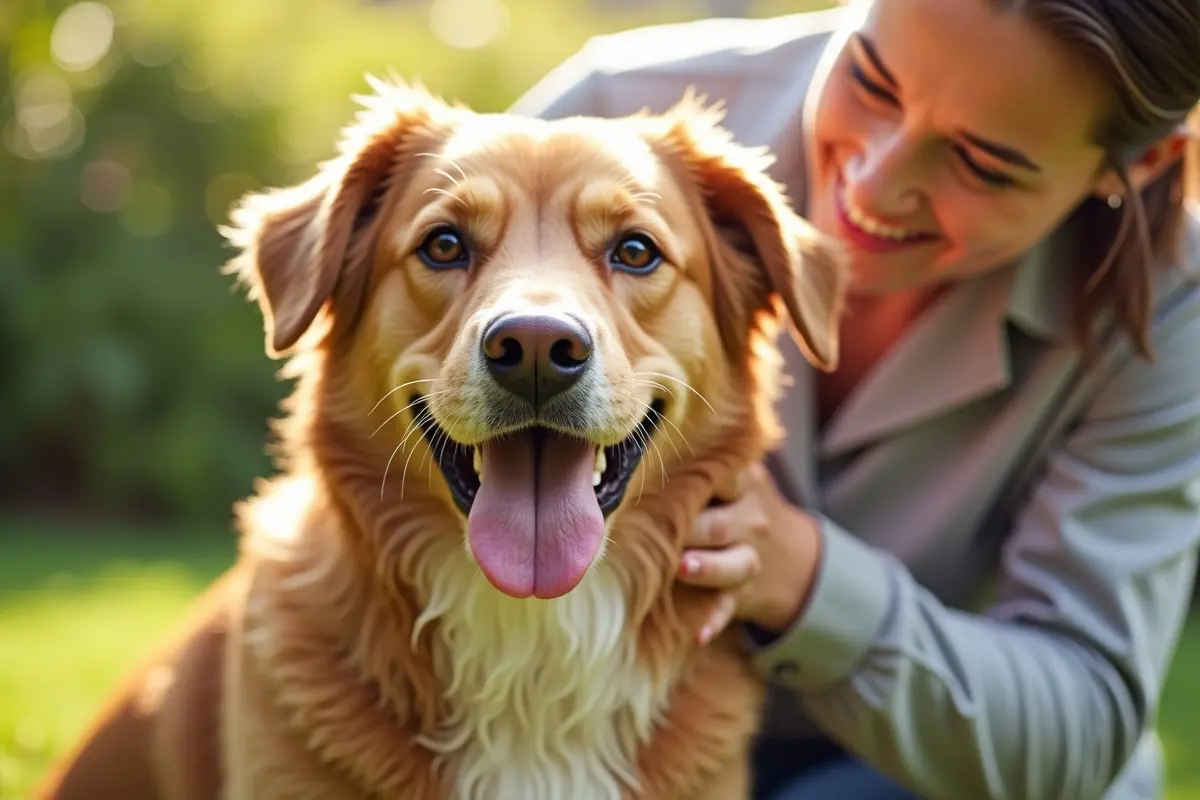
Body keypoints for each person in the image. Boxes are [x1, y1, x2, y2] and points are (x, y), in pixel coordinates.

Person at [509, 0, 1200, 798]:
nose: (872, 180)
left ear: (1143, 165)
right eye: (870, 80)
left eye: (981, 163)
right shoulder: (611, 110)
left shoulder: (1172, 316)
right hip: (581, 723)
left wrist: (806, 582)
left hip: (903, 767)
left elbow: (1078, 731)